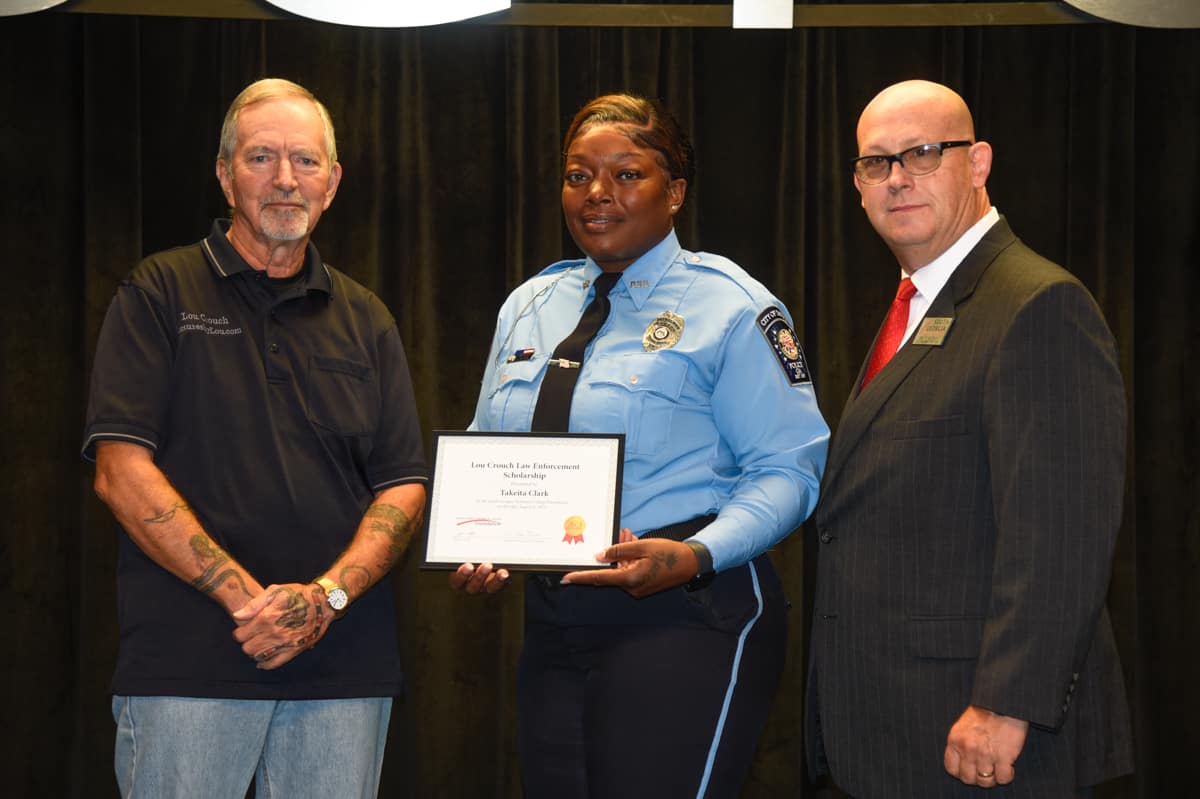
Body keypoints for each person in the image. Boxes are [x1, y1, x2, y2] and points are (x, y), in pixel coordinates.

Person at [450, 93, 829, 798]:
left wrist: (693, 555)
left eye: (627, 174)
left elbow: (790, 470)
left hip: (686, 608)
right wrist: (476, 537)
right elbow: (486, 444)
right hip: (556, 618)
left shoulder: (733, 305)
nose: (598, 193)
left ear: (675, 191)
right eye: (578, 174)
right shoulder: (530, 304)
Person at [82, 78, 427, 798]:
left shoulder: (369, 319)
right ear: (224, 173)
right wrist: (253, 604)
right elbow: (119, 469)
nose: (283, 179)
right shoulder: (158, 293)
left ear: (332, 182)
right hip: (191, 667)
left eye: (304, 160)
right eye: (260, 157)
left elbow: (403, 483)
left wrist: (322, 602)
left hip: (343, 672)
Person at [805, 79, 1134, 798]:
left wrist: (1006, 702)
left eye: (923, 153)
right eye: (875, 162)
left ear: (978, 163)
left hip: (985, 738)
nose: (897, 179)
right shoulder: (917, 307)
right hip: (895, 727)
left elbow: (1062, 532)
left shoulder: (1037, 304)